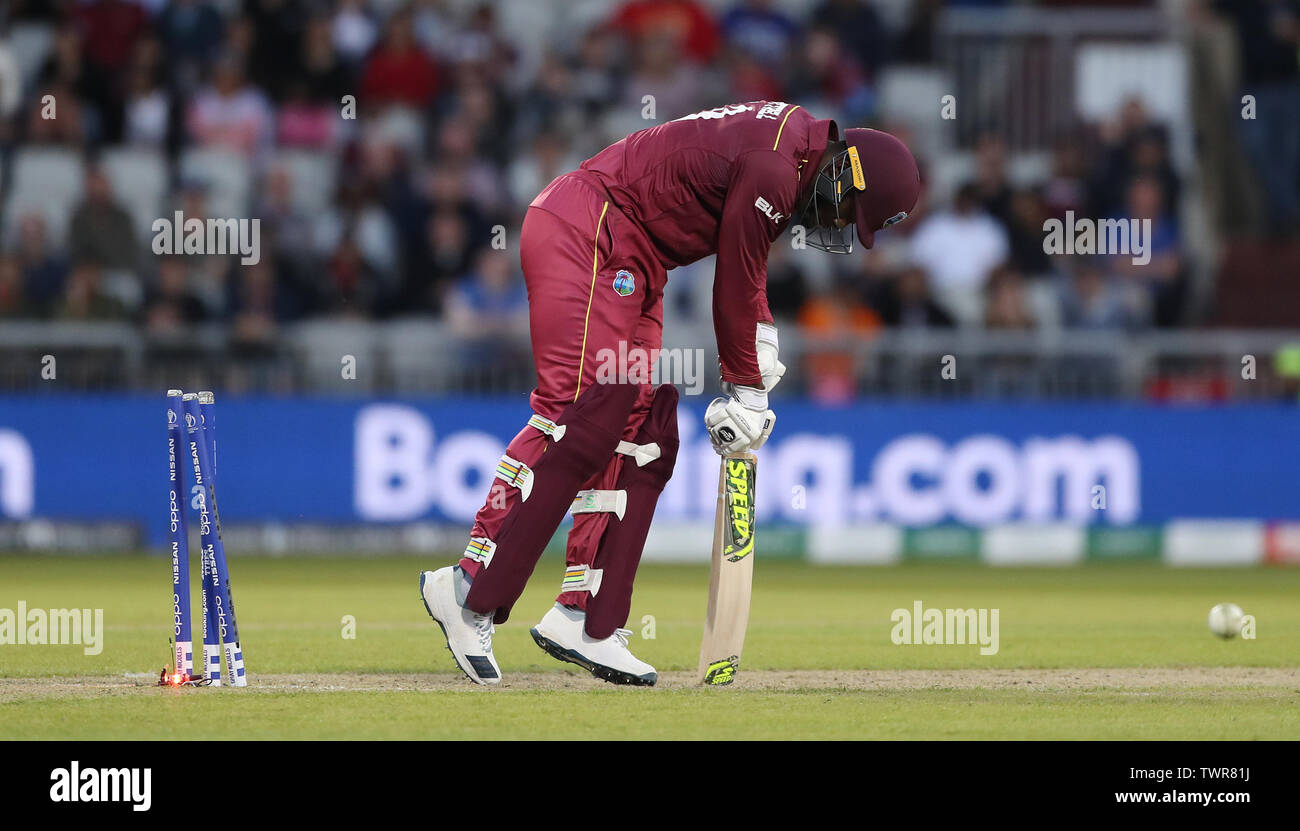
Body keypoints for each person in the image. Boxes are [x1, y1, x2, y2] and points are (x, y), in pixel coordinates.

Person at [419, 101, 919, 685]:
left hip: (641, 256)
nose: (835, 225)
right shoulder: (777, 165)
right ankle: (467, 585)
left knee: (643, 435)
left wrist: (753, 377)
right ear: (845, 170)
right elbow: (735, 281)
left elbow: (747, 279)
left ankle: (586, 617)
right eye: (846, 212)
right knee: (576, 413)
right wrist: (747, 390)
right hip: (588, 223)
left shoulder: (793, 160)